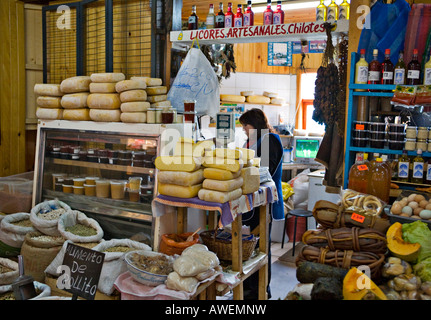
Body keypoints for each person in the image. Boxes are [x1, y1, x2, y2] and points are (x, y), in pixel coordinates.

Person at [238, 108, 284, 299]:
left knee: (261, 246)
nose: (243, 130)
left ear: (255, 125)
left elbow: (264, 172)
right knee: (251, 246)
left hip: (265, 202)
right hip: (253, 203)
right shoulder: (253, 141)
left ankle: (261, 290)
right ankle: (251, 287)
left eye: (245, 126)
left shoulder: (270, 140)